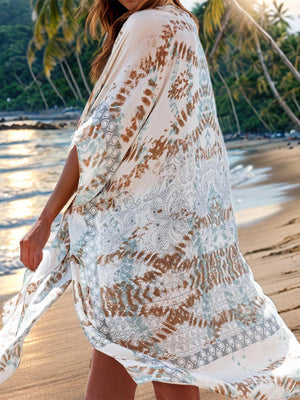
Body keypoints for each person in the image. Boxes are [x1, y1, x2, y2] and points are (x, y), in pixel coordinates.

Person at [0, 0, 300, 399]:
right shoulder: (183, 24)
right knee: (166, 367)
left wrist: (46, 217)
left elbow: (98, 137)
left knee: (127, 362)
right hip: (180, 237)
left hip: (135, 243)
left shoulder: (147, 25)